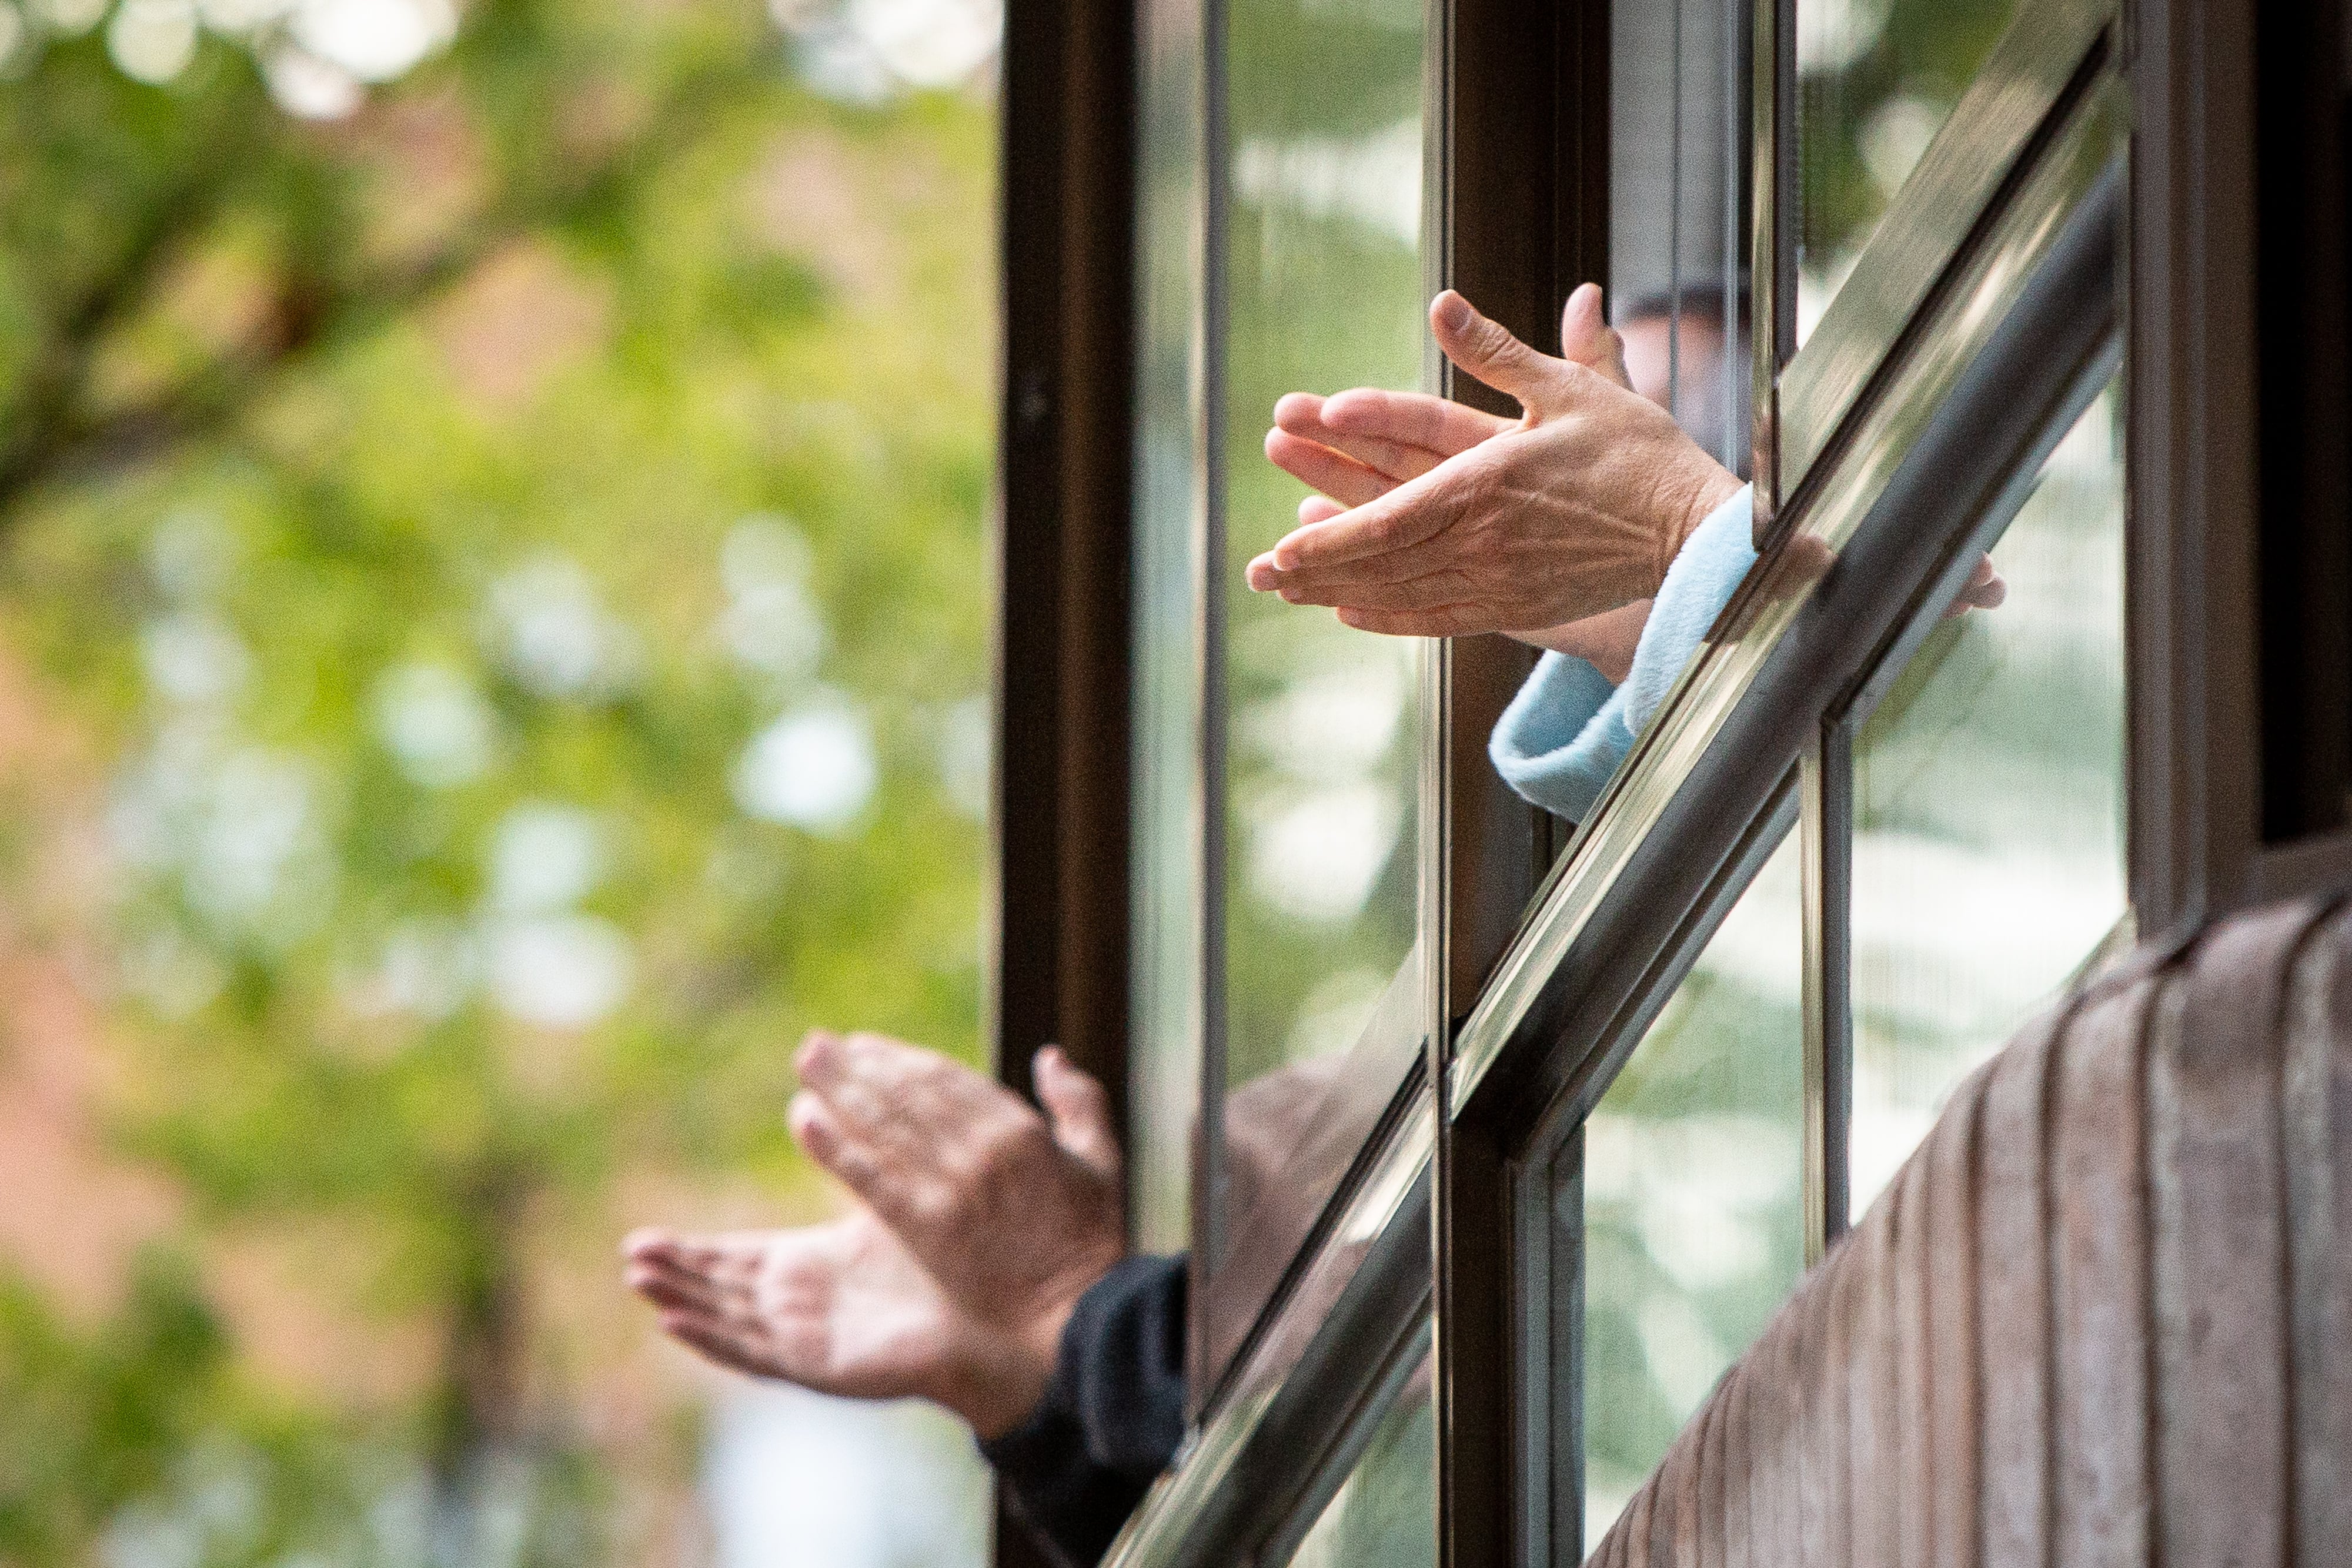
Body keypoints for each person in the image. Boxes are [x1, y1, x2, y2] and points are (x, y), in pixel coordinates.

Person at [624, 283, 2003, 1567]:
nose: (1575, 457)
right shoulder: (1495, 993)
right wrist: (1045, 1383)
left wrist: (1071, 1323)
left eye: (1671, 428)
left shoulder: (1955, 845)